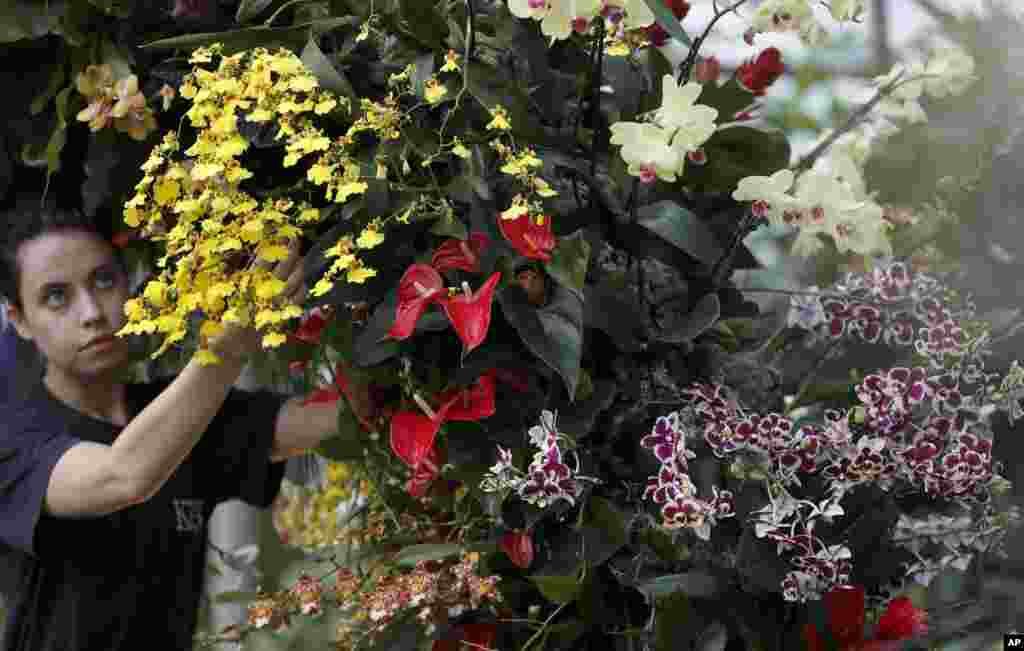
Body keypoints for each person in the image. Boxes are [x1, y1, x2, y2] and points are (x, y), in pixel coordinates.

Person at [0, 196, 347, 650]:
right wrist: (228, 347)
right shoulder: (12, 434)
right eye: (56, 297)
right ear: (20, 321)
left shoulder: (186, 415)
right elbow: (122, 476)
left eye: (103, 280)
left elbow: (343, 416)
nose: (91, 313)